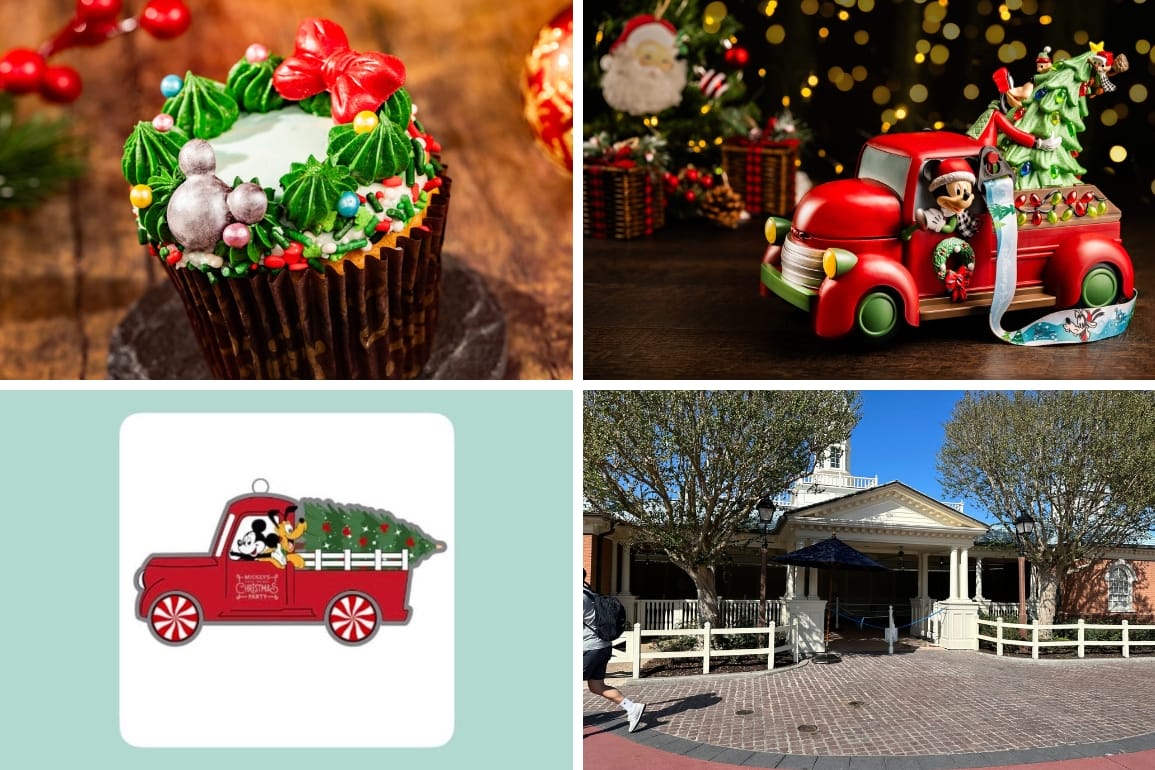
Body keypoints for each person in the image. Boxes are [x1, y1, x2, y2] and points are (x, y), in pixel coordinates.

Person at [582, 570, 645, 733]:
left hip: (589, 648)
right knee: (597, 686)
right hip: (603, 646)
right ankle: (632, 708)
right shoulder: (589, 593)